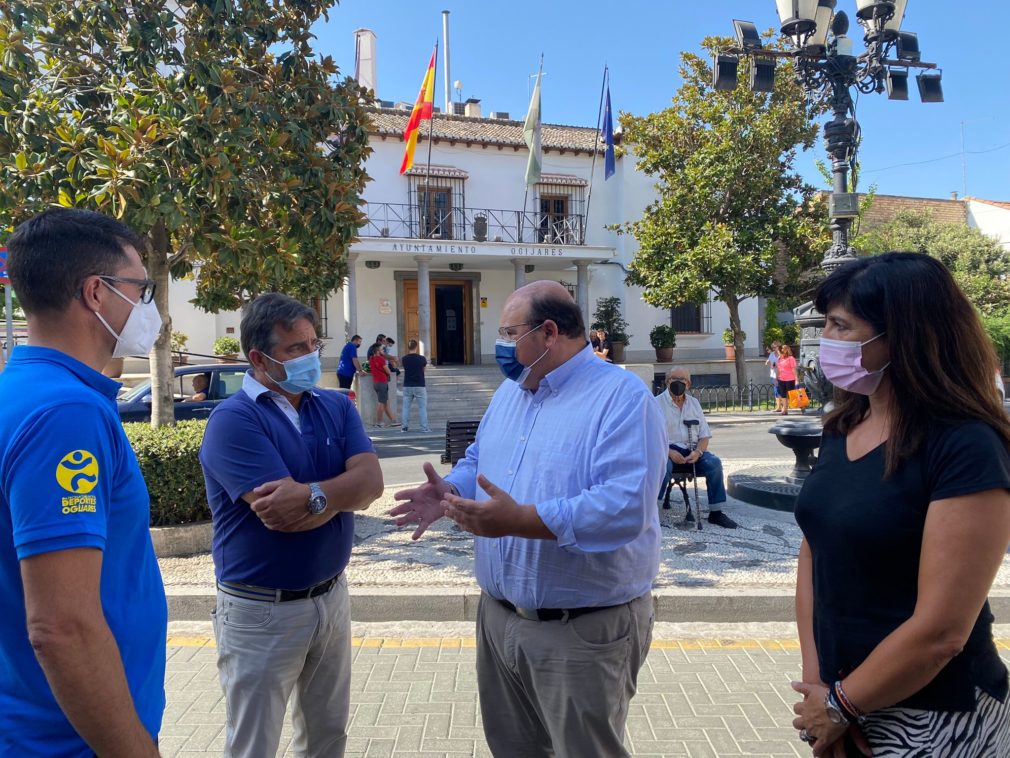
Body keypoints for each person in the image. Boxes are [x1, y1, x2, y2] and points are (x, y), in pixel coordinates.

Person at [390, 281, 666, 758]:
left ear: (549, 333)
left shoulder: (621, 398)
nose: (499, 344)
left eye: (507, 331)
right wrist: (453, 488)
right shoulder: (511, 392)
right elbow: (480, 457)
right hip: (499, 621)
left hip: (581, 631)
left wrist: (521, 520)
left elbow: (625, 508)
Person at [791, 252, 1010, 757]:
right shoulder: (843, 425)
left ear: (903, 338)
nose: (826, 339)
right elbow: (814, 551)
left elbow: (942, 631)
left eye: (841, 326)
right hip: (839, 705)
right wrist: (818, 689)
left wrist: (841, 706)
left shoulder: (966, 446)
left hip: (936, 717)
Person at [0, 208, 165, 756]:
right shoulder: (66, 414)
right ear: (97, 293)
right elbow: (61, 626)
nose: (149, 308)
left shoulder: (21, 393)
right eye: (140, 289)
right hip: (69, 741)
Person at [199, 293, 384, 758]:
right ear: (259, 358)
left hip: (331, 598)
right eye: (294, 350)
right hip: (261, 611)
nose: (309, 357)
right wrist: (339, 494)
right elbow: (284, 517)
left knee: (327, 737)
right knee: (254, 744)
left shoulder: (334, 406)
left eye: (312, 343)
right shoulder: (233, 421)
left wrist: (315, 495)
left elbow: (371, 483)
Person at [654, 367, 738, 529]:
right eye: (674, 378)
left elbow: (704, 435)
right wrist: (669, 452)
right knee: (662, 466)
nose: (678, 382)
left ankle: (716, 512)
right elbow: (650, 438)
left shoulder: (694, 404)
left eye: (683, 380)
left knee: (713, 463)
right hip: (665, 450)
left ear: (689, 384)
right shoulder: (656, 403)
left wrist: (698, 452)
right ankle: (653, 512)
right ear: (667, 381)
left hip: (692, 450)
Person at [400, 339, 430, 433]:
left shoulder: (404, 359)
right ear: (416, 347)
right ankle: (424, 427)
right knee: (422, 407)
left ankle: (404, 427)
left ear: (408, 347)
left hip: (407, 384)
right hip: (419, 384)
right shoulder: (422, 359)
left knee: (406, 407)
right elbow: (424, 369)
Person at [368, 341, 398, 428]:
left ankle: (393, 420)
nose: (383, 350)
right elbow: (388, 371)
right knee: (381, 403)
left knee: (385, 403)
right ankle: (379, 422)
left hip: (376, 382)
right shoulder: (381, 359)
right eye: (382, 349)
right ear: (378, 351)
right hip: (382, 382)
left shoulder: (371, 359)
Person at [776, 344, 798, 415]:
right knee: (782, 394)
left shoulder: (791, 358)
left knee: (790, 394)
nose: (779, 352)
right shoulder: (779, 359)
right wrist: (777, 377)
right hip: (781, 379)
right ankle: (784, 409)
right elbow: (779, 369)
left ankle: (786, 409)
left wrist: (796, 379)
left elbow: (793, 369)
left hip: (790, 379)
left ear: (785, 351)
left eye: (780, 351)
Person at [766, 339, 783, 413]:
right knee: (776, 390)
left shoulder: (782, 354)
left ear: (779, 347)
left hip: (781, 374)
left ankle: (782, 406)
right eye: (772, 347)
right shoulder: (772, 354)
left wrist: (777, 365)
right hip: (773, 374)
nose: (773, 349)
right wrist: (769, 363)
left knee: (780, 390)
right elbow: (768, 362)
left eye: (775, 347)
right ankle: (778, 407)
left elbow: (784, 364)